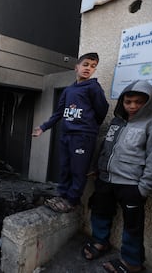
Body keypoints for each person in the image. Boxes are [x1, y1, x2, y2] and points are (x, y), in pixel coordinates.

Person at [82, 80, 152, 273]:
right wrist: (95, 167)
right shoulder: (116, 122)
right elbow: (104, 146)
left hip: (131, 184)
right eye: (128, 101)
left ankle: (132, 262)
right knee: (100, 212)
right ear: (122, 101)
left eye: (138, 102)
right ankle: (100, 242)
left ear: (148, 103)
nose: (132, 106)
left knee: (133, 225)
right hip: (105, 179)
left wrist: (144, 188)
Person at [32, 52, 109, 212]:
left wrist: (89, 126)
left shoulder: (93, 87)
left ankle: (72, 201)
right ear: (77, 67)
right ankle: (62, 195)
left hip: (83, 137)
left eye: (93, 66)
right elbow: (59, 113)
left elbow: (102, 109)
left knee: (78, 170)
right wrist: (44, 127)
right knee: (65, 167)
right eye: (86, 64)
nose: (89, 68)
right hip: (66, 135)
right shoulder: (69, 90)